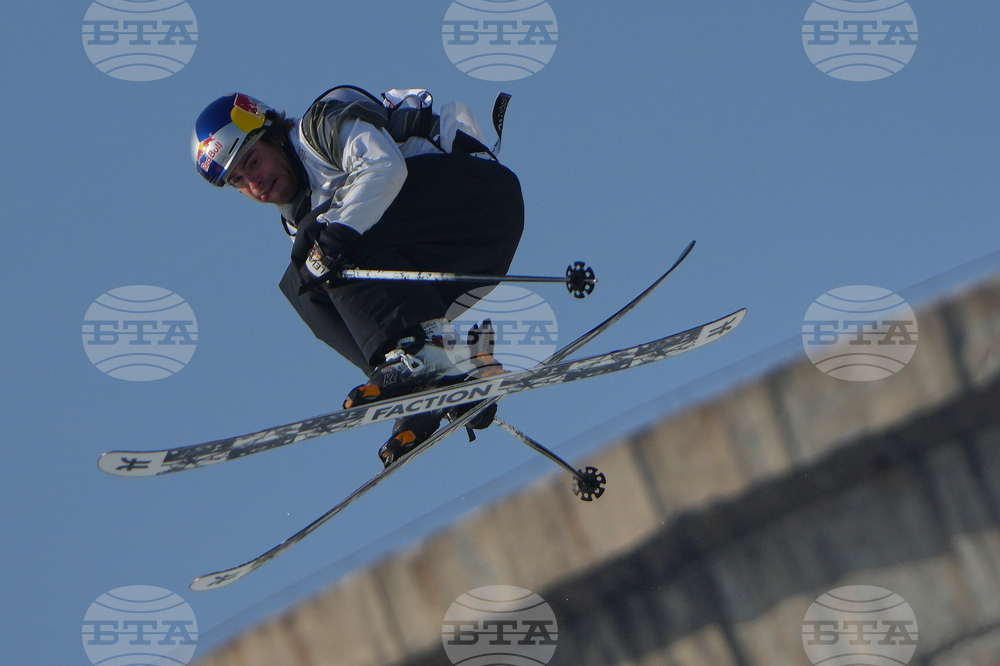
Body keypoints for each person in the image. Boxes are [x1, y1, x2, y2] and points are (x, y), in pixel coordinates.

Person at [191, 87, 524, 466]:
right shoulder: (297, 216)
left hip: (479, 200)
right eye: (238, 180)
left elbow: (384, 166)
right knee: (300, 283)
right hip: (458, 266)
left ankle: (423, 354)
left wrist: (335, 239)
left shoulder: (321, 128)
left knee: (316, 242)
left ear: (274, 137)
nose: (254, 184)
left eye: (253, 162)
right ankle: (428, 376)